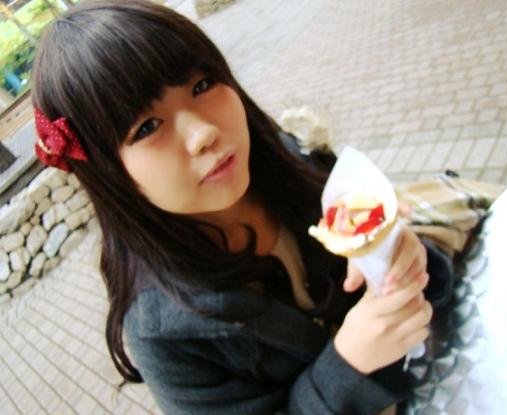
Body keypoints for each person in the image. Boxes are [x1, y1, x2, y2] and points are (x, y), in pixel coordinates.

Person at [31, 1, 436, 413]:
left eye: (202, 85)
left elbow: (430, 294)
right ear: (110, 173)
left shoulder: (295, 161)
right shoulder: (162, 333)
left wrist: (400, 260)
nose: (203, 133)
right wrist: (347, 366)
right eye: (147, 127)